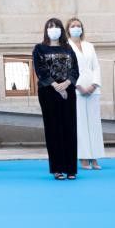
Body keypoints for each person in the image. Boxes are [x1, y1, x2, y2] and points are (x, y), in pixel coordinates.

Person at [33, 18, 79, 180]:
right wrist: (55, 85)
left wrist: (66, 83)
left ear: (61, 30)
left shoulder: (68, 49)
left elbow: (75, 70)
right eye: (50, 27)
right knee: (53, 130)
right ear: (46, 30)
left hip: (68, 91)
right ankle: (57, 168)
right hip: (48, 92)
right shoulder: (39, 48)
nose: (54, 29)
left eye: (57, 27)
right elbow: (41, 70)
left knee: (69, 128)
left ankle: (71, 168)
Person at [66, 17, 105, 170]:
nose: (76, 28)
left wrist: (94, 85)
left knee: (94, 124)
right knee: (80, 123)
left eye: (79, 26)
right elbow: (67, 69)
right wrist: (79, 86)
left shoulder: (89, 46)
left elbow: (96, 66)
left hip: (93, 89)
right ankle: (83, 156)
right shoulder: (66, 46)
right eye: (73, 26)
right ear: (68, 29)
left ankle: (95, 157)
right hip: (76, 89)